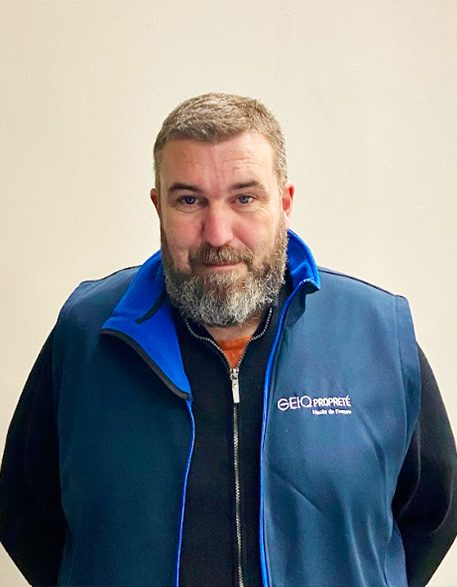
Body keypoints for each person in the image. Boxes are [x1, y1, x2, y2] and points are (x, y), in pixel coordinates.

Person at [1, 93, 456, 587]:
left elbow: (432, 517)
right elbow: (27, 517)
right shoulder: (87, 335)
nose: (217, 234)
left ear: (284, 202)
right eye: (189, 200)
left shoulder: (378, 333)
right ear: (158, 206)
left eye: (244, 198)